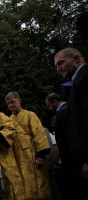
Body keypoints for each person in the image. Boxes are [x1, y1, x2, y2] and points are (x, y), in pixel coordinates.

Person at [5, 92, 52, 200]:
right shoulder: (8, 120)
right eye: (8, 103)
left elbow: (39, 134)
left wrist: (40, 155)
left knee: (39, 182)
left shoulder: (30, 115)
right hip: (17, 156)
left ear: (19, 100)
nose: (11, 105)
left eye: (13, 102)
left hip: (32, 153)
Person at [54, 47, 88, 198]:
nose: (58, 68)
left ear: (77, 59)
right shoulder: (77, 81)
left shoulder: (85, 76)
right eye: (56, 66)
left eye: (61, 63)